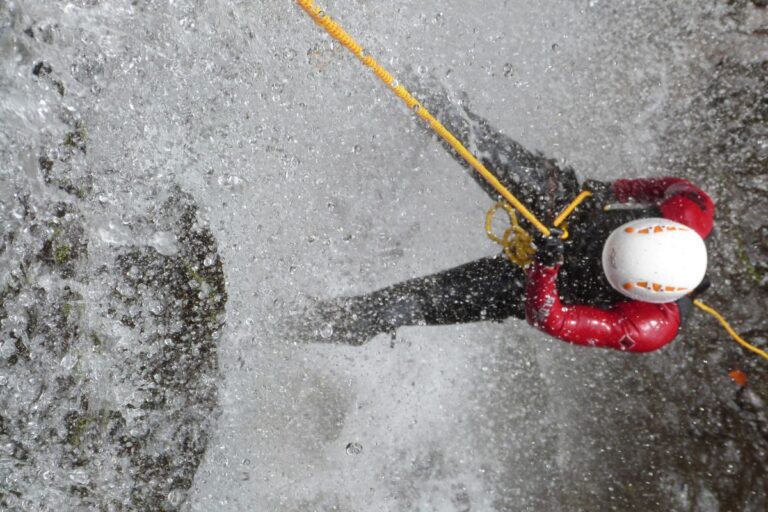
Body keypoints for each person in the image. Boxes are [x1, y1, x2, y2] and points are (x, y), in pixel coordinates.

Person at [295, 79, 715, 352]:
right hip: (571, 208)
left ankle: (289, 324)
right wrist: (611, 189)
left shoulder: (644, 328)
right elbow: (673, 185)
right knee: (463, 132)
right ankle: (390, 73)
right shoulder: (690, 209)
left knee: (405, 306)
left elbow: (550, 318)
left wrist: (546, 267)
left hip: (537, 283)